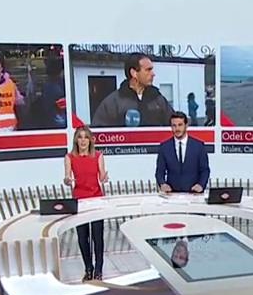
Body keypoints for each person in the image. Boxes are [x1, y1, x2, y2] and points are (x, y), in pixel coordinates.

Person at [63, 126, 109, 281]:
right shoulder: (69, 157)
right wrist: (67, 180)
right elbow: (67, 177)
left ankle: (99, 269)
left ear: (90, 140)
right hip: (79, 201)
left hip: (96, 199)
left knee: (97, 236)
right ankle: (88, 268)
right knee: (83, 237)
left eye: (86, 137)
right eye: (80, 137)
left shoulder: (98, 156)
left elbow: (101, 176)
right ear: (76, 140)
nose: (83, 141)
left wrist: (104, 178)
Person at [91, 52, 174, 127]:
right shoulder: (113, 102)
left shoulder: (158, 99)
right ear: (134, 73)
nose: (153, 74)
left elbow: (175, 124)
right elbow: (99, 132)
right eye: (148, 70)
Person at [156, 111, 210, 194]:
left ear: (186, 125)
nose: (177, 129)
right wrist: (162, 184)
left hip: (194, 194)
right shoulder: (164, 147)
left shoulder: (199, 146)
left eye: (180, 125)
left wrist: (201, 185)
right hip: (172, 195)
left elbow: (205, 170)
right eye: (174, 125)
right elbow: (159, 171)